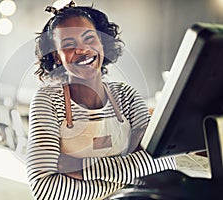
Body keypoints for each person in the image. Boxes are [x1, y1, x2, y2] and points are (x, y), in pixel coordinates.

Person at [26, 1, 176, 199]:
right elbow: (44, 190)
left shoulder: (127, 97)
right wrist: (127, 179)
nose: (82, 50)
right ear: (56, 56)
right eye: (69, 45)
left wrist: (82, 168)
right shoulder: (48, 101)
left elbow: (165, 163)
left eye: (89, 39)